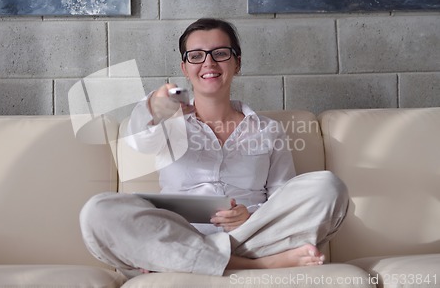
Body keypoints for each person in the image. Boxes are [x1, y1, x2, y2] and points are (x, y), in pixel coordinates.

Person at [80, 18, 349, 277]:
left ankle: (177, 261)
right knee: (98, 210)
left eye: (220, 53)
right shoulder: (168, 124)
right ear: (185, 68)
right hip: (179, 234)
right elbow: (139, 139)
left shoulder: (268, 129)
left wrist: (250, 216)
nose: (208, 62)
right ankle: (258, 266)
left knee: (328, 187)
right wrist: (155, 107)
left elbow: (284, 197)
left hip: (251, 236)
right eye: (196, 56)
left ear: (237, 62)